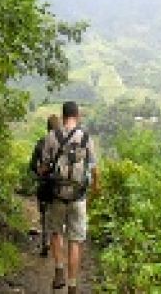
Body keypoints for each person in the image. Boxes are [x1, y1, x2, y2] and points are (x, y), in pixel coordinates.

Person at [38, 101, 98, 294]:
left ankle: (59, 270)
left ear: (63, 116)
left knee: (56, 232)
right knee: (76, 241)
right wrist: (95, 188)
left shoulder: (51, 137)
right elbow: (94, 169)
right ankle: (72, 285)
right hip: (78, 198)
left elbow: (44, 167)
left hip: (57, 196)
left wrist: (43, 172)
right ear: (77, 115)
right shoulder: (86, 138)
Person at [29, 114, 60, 257]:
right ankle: (55, 246)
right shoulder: (63, 144)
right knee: (56, 215)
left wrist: (39, 173)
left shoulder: (41, 142)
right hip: (58, 186)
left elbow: (32, 165)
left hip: (43, 183)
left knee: (44, 214)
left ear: (47, 127)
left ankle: (45, 243)